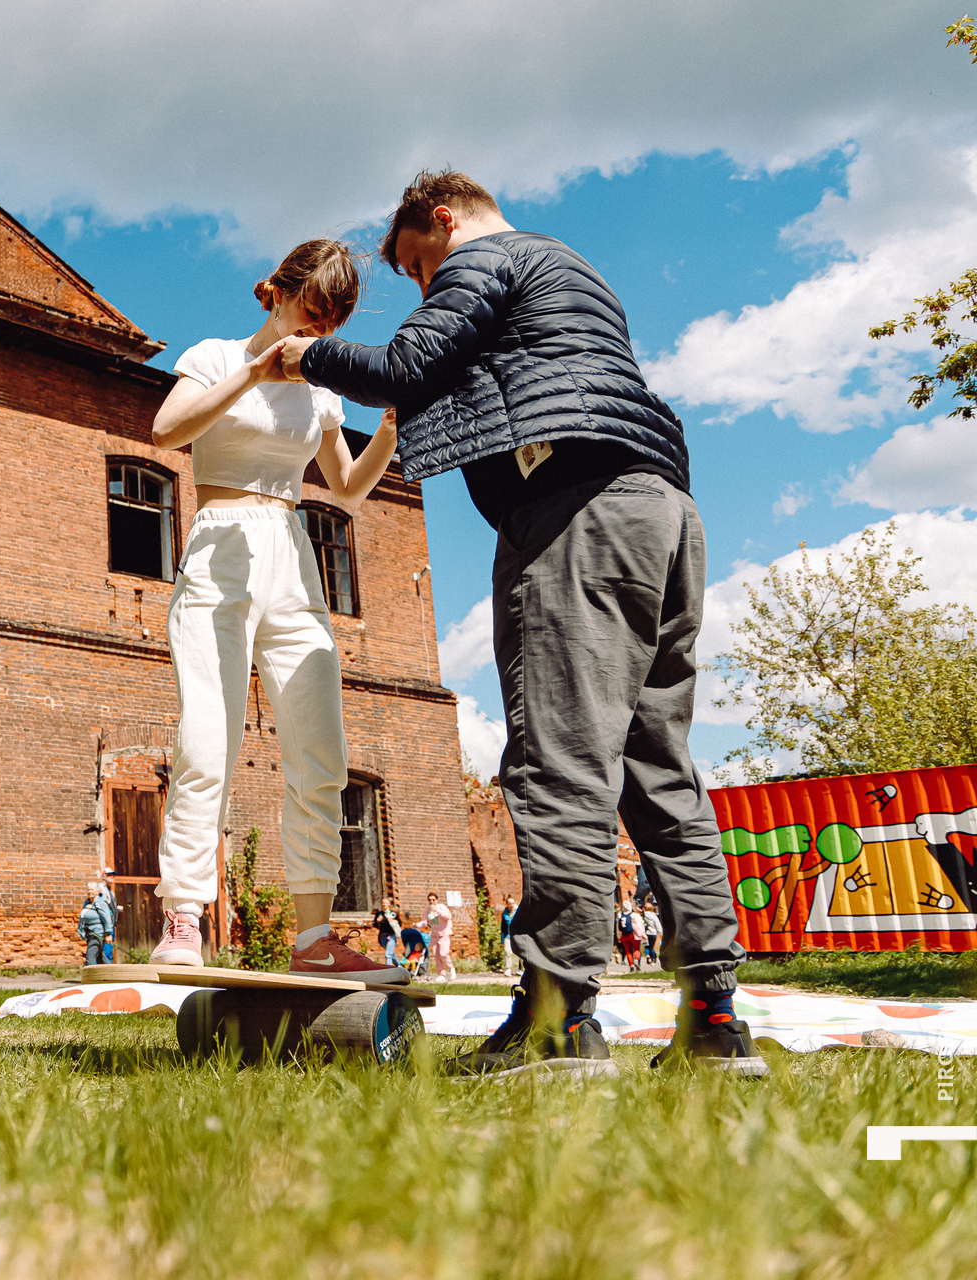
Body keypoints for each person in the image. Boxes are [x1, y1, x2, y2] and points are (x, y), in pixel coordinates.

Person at [278, 170, 763, 1078]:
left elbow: (400, 367)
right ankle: (713, 1018)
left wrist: (299, 359)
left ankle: (558, 1020)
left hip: (575, 516)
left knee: (560, 760)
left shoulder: (483, 259)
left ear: (443, 219)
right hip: (660, 510)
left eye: (420, 266)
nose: (426, 288)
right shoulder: (575, 273)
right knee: (658, 768)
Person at [144, 239, 405, 984]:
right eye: (310, 313)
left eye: (331, 323)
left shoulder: (322, 389)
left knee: (320, 748)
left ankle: (314, 934)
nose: (316, 332)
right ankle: (184, 918)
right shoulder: (216, 355)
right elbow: (166, 432)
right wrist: (253, 373)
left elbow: (347, 489)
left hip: (292, 551)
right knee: (207, 739)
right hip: (220, 541)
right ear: (278, 293)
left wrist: (385, 430)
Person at [426, 892, 457, 980]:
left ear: (437, 900)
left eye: (433, 899)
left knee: (443, 953)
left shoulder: (442, 907)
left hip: (444, 934)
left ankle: (451, 968)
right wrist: (417, 925)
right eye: (430, 900)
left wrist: (437, 910)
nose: (431, 901)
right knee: (436, 955)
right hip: (434, 934)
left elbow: (448, 917)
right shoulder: (428, 910)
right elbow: (426, 921)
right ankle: (441, 974)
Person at [77, 885, 110, 968]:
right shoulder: (87, 902)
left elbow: (107, 918)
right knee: (100, 958)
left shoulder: (100, 903)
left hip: (97, 933)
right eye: (88, 890)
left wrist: (108, 933)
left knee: (90, 955)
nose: (90, 891)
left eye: (92, 890)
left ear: (97, 892)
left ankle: (89, 976)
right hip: (90, 934)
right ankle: (112, 975)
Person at [372, 898, 402, 967]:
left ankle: (389, 971)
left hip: (391, 936)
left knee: (388, 954)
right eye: (383, 903)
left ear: (389, 904)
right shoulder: (379, 914)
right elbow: (374, 924)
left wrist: (392, 920)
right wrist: (377, 921)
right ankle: (400, 968)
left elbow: (399, 923)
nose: (384, 904)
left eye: (386, 903)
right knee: (391, 954)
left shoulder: (393, 914)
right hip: (382, 937)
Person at [96, 872, 119, 963]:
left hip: (111, 924)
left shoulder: (110, 891)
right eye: (109, 875)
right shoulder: (100, 889)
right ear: (103, 877)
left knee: (109, 948)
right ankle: (103, 969)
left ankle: (106, 967)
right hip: (105, 925)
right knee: (105, 949)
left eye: (113, 875)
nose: (112, 877)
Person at [500, 895, 519, 978]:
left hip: (518, 935)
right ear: (507, 904)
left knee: (521, 952)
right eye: (510, 904)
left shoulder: (518, 912)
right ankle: (508, 969)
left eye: (513, 903)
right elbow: (503, 927)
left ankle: (521, 969)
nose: (512, 905)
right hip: (508, 935)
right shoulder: (505, 914)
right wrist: (502, 940)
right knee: (507, 951)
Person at [642, 900, 664, 969]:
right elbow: (658, 925)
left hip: (646, 933)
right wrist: (660, 932)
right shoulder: (654, 916)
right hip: (653, 933)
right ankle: (653, 960)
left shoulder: (643, 915)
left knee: (647, 946)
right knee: (652, 947)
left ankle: (647, 955)